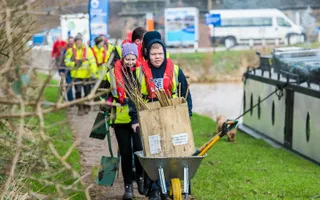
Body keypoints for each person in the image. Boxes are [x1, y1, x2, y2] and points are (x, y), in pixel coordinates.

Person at [129, 32, 192, 200]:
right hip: (149, 117)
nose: (157, 57)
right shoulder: (139, 73)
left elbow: (186, 95)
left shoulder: (176, 70)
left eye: (160, 54)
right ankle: (154, 189)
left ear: (164, 54)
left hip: (172, 117)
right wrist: (135, 119)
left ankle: (176, 185)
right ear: (148, 55)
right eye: (154, 54)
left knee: (174, 151)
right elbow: (133, 98)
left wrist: (188, 115)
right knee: (154, 153)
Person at [103, 43, 144, 200]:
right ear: (123, 58)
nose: (130, 62)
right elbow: (102, 93)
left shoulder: (141, 73)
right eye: (128, 59)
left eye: (133, 59)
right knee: (126, 154)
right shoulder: (111, 74)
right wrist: (106, 105)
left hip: (138, 119)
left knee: (139, 151)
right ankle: (128, 188)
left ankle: (140, 179)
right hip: (120, 119)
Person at [64, 33, 98, 116]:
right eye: (77, 41)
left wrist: (94, 72)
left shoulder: (88, 50)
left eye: (80, 40)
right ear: (75, 42)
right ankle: (80, 108)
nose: (78, 42)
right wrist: (74, 64)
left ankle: (86, 106)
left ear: (82, 41)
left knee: (87, 92)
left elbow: (92, 62)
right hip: (76, 75)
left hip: (87, 75)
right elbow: (66, 62)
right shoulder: (70, 51)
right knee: (78, 92)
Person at [59, 36, 74, 102]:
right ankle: (71, 100)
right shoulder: (64, 50)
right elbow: (61, 60)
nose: (71, 43)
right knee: (69, 85)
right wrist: (61, 70)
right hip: (67, 70)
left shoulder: (76, 49)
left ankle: (78, 100)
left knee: (77, 86)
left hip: (76, 71)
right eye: (70, 41)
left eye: (72, 41)